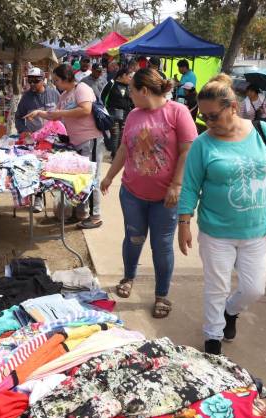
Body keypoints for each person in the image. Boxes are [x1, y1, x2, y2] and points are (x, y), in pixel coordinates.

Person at [176, 74, 266, 355]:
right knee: (216, 286)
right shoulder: (203, 144)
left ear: (233, 108)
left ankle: (231, 311)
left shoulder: (263, 133)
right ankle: (212, 338)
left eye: (213, 116)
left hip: (255, 230)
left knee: (254, 290)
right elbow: (190, 186)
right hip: (216, 231)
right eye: (203, 117)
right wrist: (184, 222)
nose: (208, 123)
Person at [100, 67, 197, 318]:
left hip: (166, 198)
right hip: (132, 193)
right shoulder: (133, 114)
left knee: (161, 245)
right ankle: (128, 276)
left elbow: (188, 151)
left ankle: (161, 294)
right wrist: (110, 176)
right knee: (133, 238)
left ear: (144, 90)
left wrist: (176, 185)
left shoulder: (178, 112)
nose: (129, 94)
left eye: (131, 90)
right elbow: (123, 149)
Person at [25, 64, 104, 229]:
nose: (55, 84)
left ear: (66, 78)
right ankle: (80, 213)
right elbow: (55, 115)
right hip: (76, 142)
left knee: (92, 178)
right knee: (80, 177)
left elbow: (85, 110)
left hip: (91, 139)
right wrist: (39, 113)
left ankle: (95, 216)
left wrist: (61, 113)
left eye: (57, 81)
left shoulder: (82, 88)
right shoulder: (64, 95)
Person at [15, 67, 60, 214]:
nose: (33, 83)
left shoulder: (54, 93)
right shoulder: (26, 97)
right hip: (34, 140)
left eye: (36, 80)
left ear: (43, 79)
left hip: (53, 139)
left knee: (51, 170)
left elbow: (62, 113)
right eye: (30, 80)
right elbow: (18, 117)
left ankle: (58, 199)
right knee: (37, 168)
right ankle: (38, 197)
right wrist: (23, 131)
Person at [100, 69, 134, 157]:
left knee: (122, 135)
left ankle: (117, 154)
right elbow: (103, 97)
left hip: (126, 114)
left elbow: (132, 100)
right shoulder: (111, 84)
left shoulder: (129, 87)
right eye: (129, 76)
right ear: (123, 75)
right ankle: (115, 156)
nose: (130, 79)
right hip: (112, 113)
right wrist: (105, 110)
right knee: (115, 134)